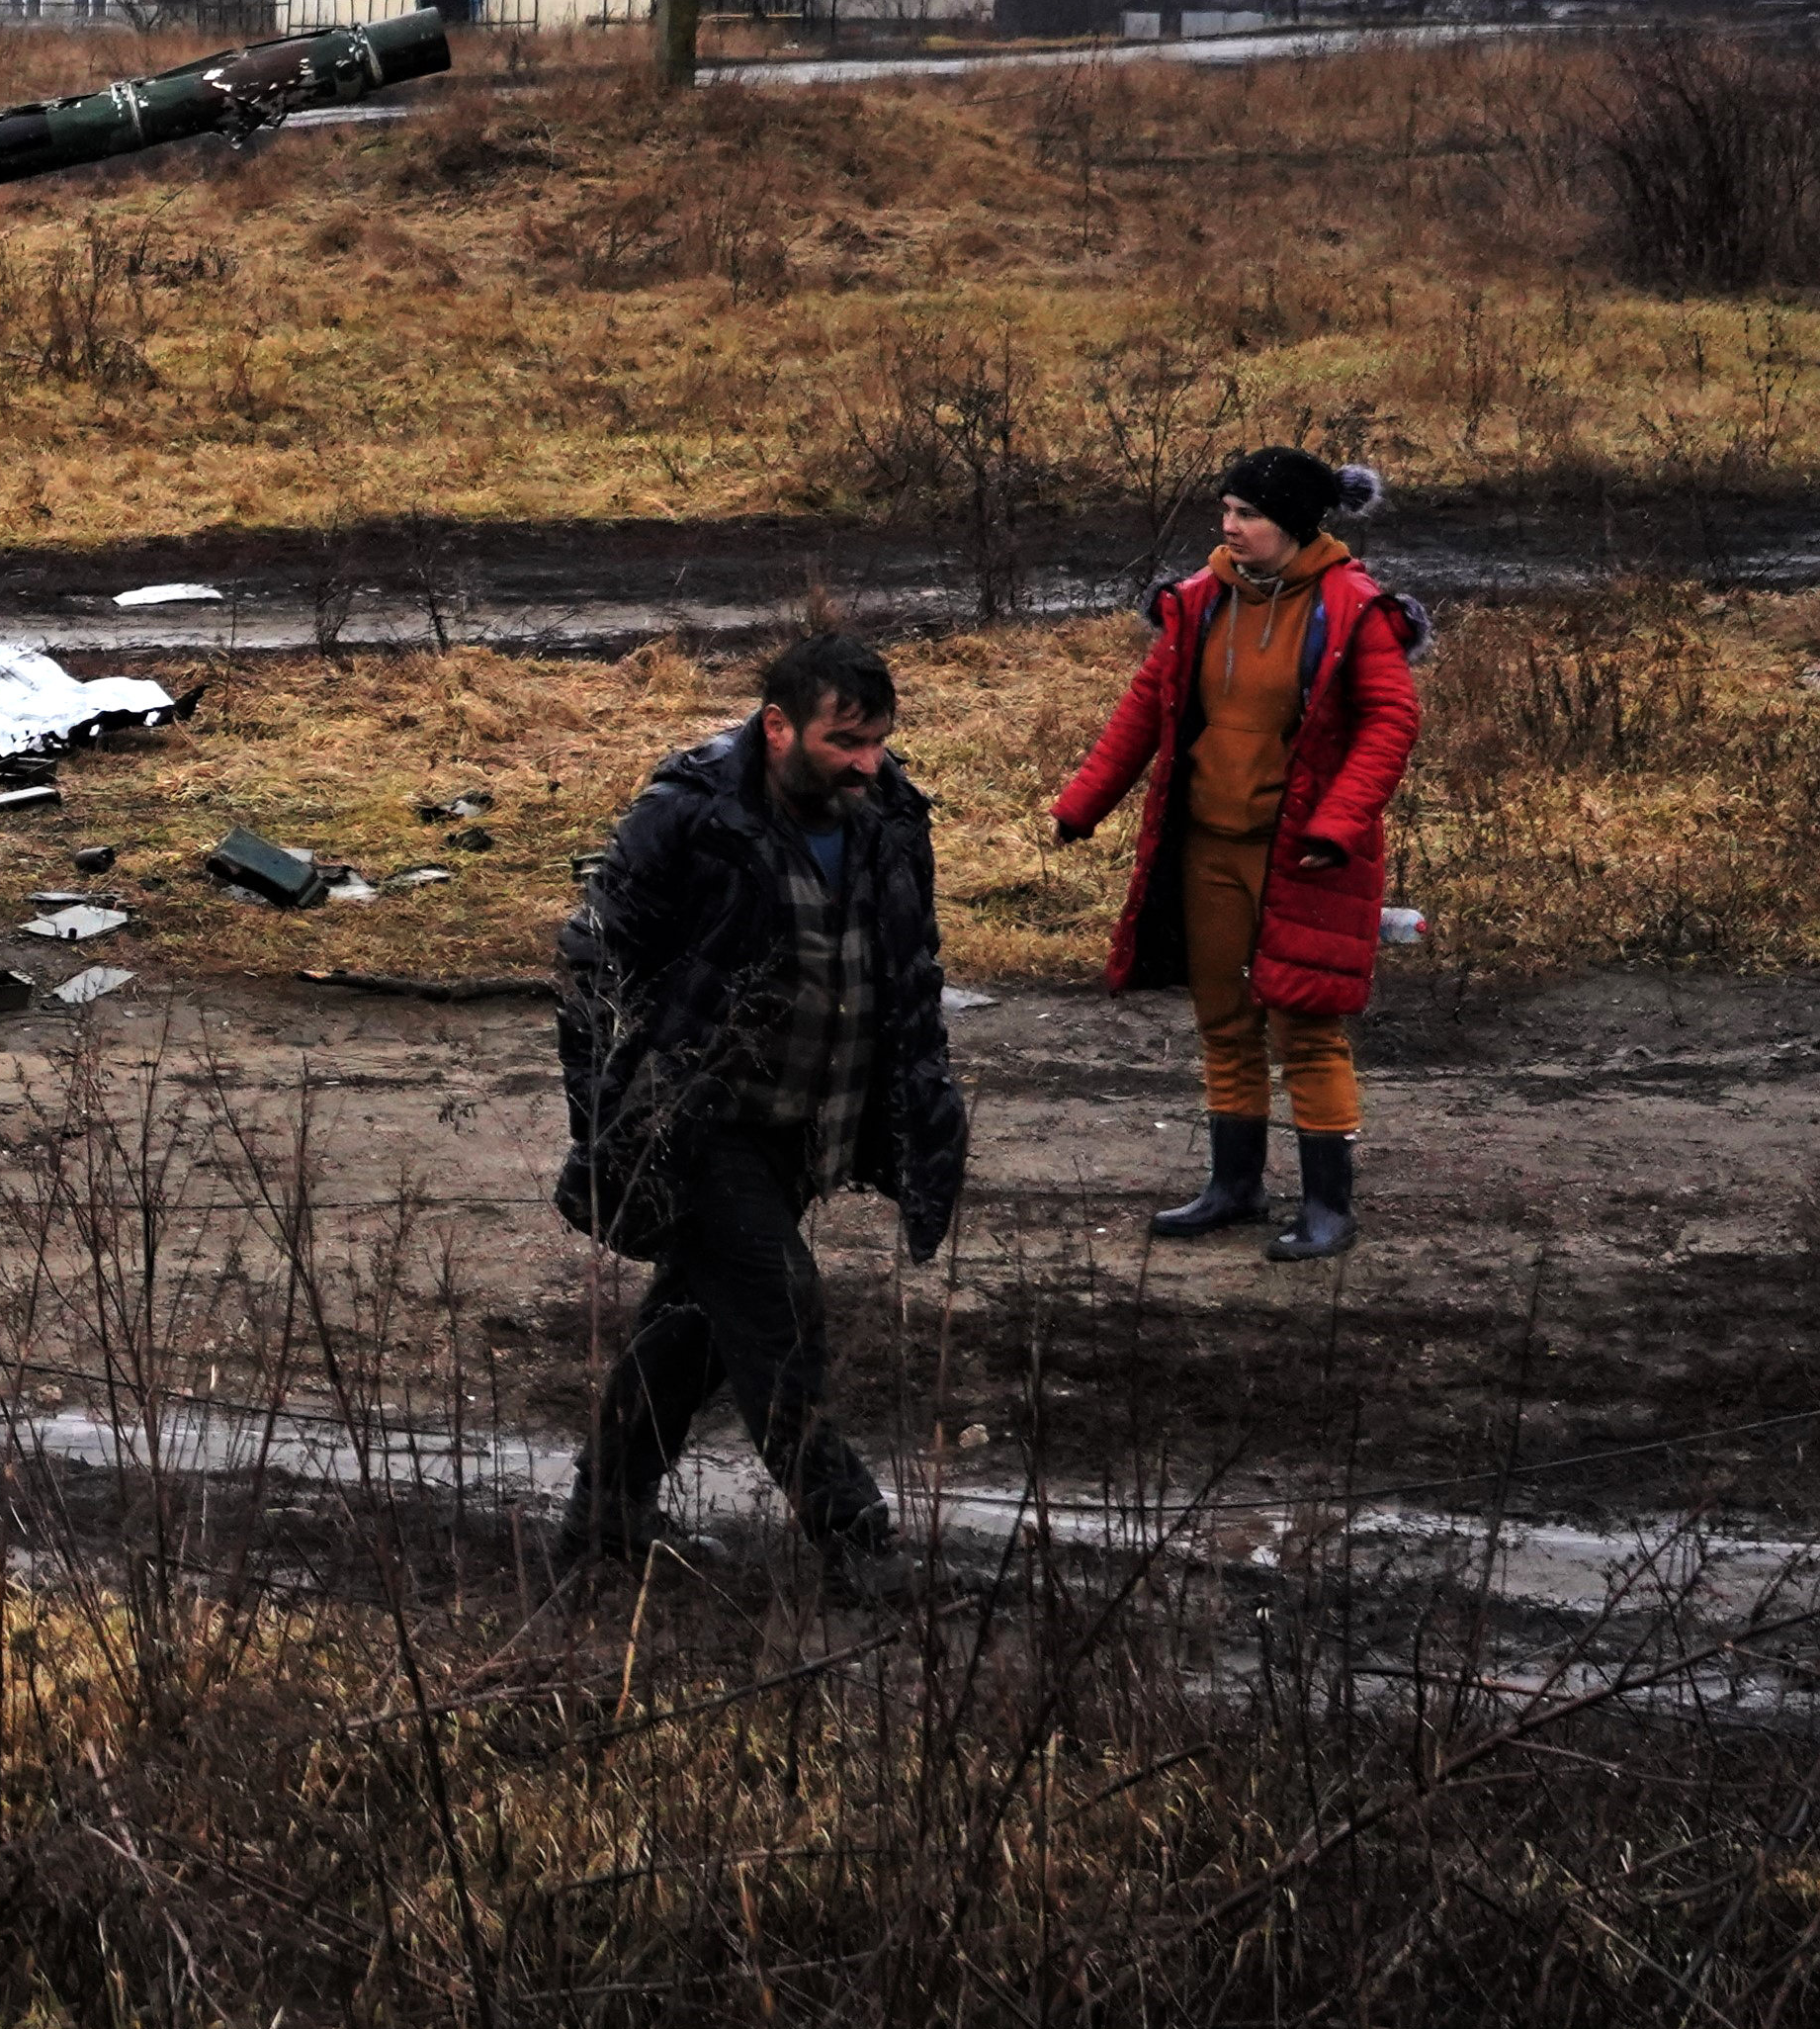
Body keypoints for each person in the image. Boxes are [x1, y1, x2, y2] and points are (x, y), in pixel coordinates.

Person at [554, 631, 969, 1596]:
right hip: (696, 1122)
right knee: (777, 1307)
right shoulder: (689, 817)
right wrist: (608, 1131)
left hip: (806, 1121)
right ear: (778, 725)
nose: (867, 761)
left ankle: (602, 1513)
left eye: (878, 739)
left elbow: (912, 967)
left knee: (701, 1319)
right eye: (845, 741)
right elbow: (593, 971)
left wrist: (922, 1105)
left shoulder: (889, 813)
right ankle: (854, 1538)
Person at [1046, 449, 1423, 1264]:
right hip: (1207, 846)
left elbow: (1390, 723)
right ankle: (1234, 1186)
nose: (1229, 525)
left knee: (1305, 1025)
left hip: (1303, 857)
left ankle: (1329, 1206)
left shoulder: (1353, 608)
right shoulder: (1199, 602)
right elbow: (1146, 707)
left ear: (1292, 523)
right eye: (1225, 509)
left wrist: (1336, 826)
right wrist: (1081, 805)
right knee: (1223, 1020)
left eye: (1247, 512)